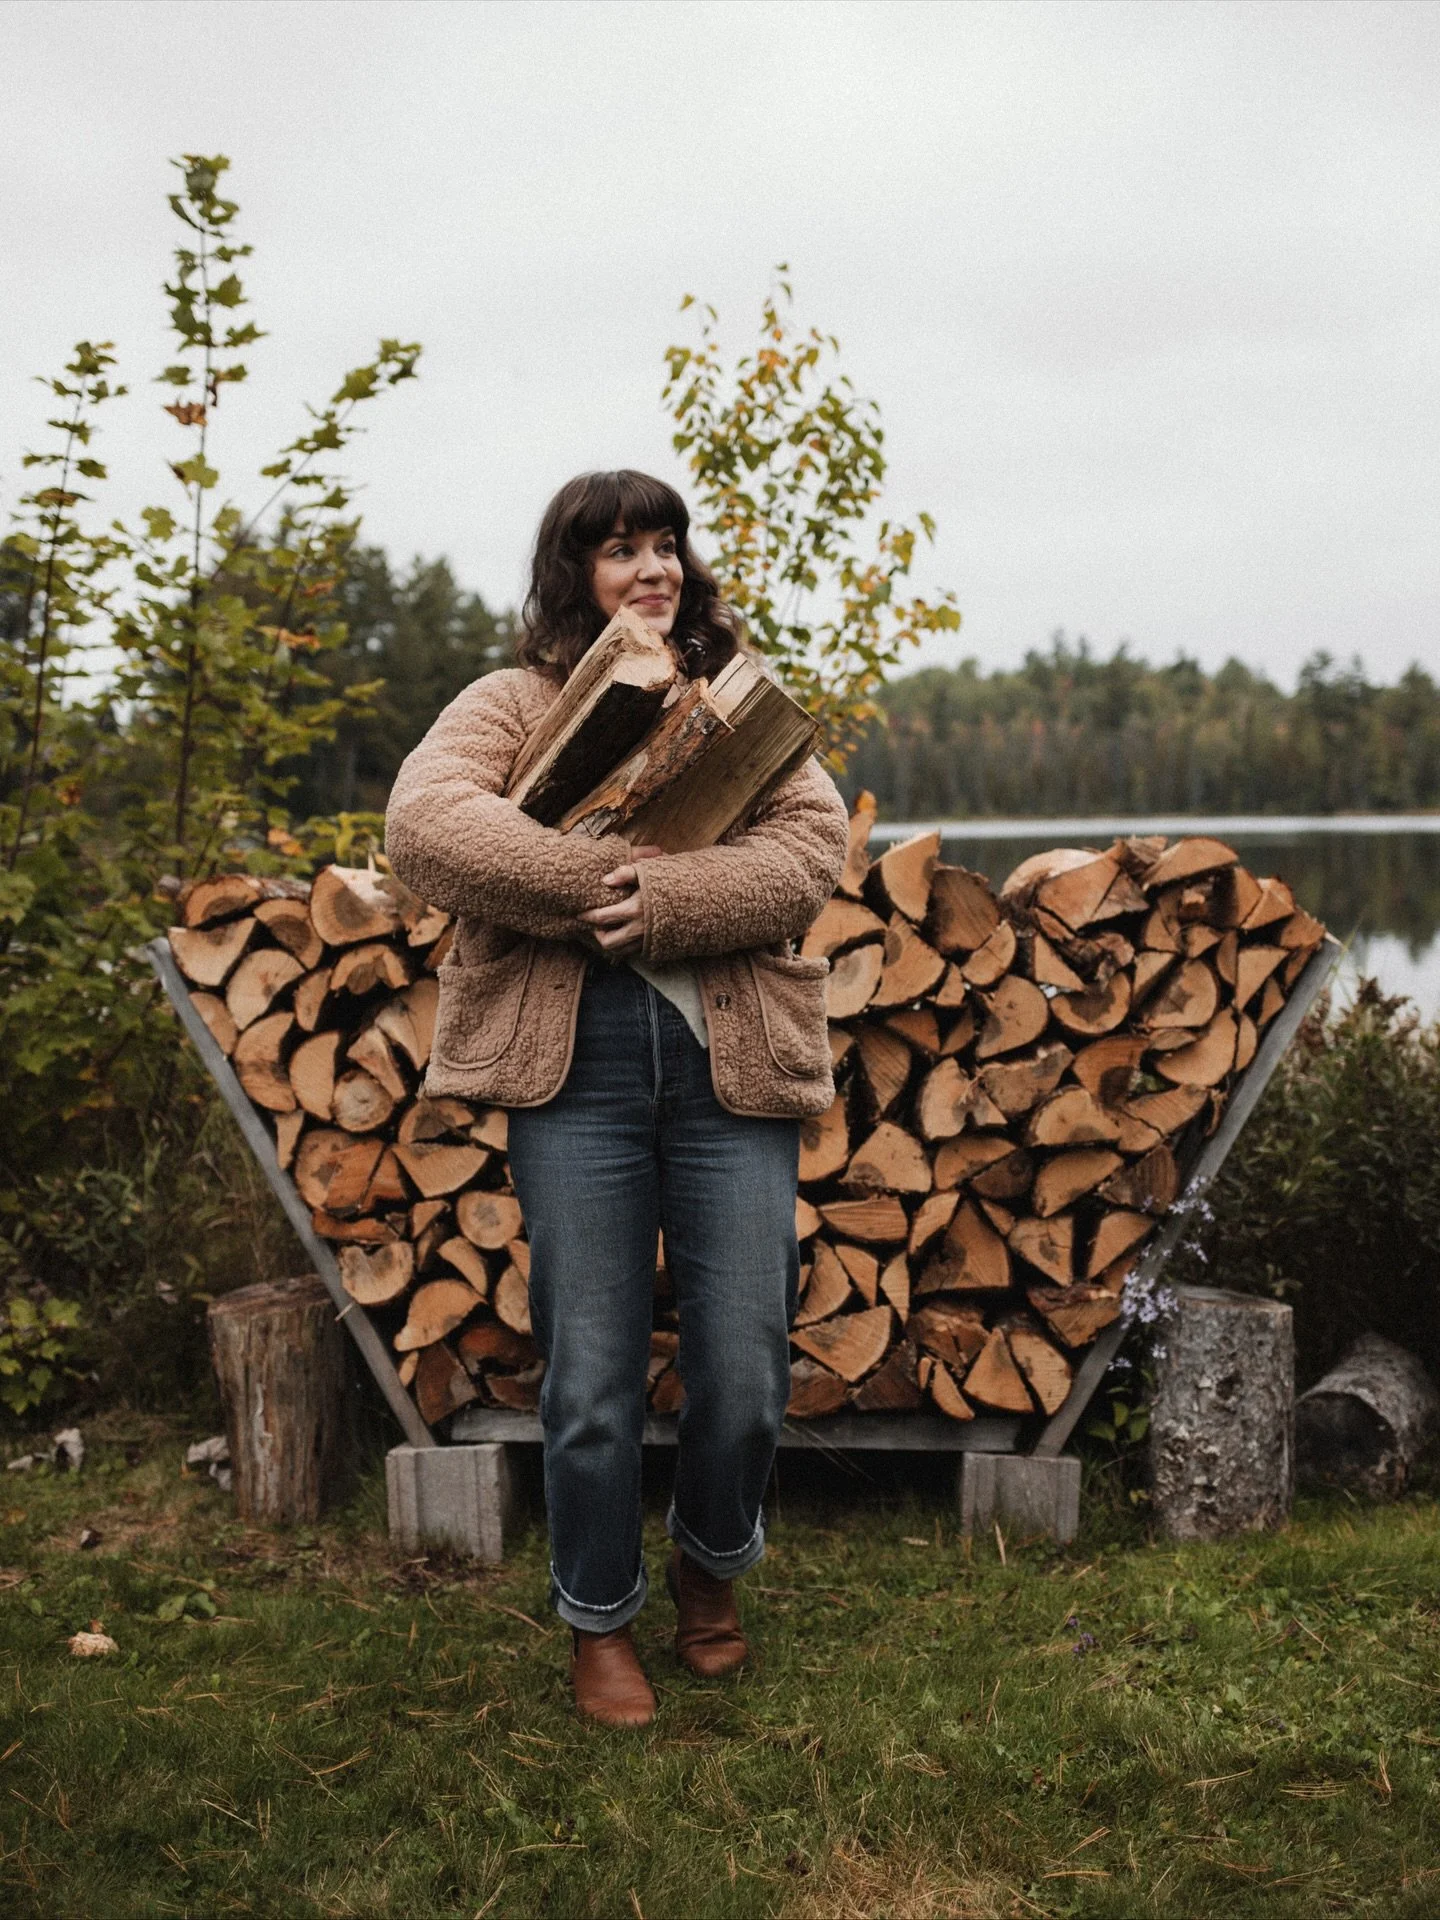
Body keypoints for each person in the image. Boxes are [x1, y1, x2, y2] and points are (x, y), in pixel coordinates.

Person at [385, 470, 848, 1727]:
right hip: (572, 1077)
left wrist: (678, 899)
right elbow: (423, 827)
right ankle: (600, 1621)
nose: (654, 567)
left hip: (729, 1071)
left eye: (667, 544)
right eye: (620, 550)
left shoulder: (736, 704)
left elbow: (815, 850)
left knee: (745, 1365)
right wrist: (591, 877)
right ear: (571, 573)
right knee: (589, 1374)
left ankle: (710, 1568)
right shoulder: (515, 700)